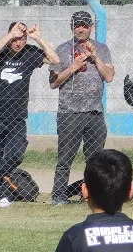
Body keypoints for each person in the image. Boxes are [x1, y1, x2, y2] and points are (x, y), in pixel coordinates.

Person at [0, 21, 59, 205]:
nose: (18, 42)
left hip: (17, 115)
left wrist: (38, 38)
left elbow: (55, 60)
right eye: (16, 38)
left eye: (22, 38)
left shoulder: (30, 53)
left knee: (16, 155)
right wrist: (10, 35)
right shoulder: (1, 51)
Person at [49, 11, 115, 204]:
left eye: (85, 25)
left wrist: (95, 58)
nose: (81, 28)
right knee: (65, 158)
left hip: (95, 112)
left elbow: (109, 76)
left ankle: (93, 195)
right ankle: (59, 196)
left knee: (95, 159)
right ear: (72, 27)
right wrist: (74, 67)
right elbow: (53, 82)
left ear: (91, 27)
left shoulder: (101, 49)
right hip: (70, 112)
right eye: (77, 25)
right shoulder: (61, 50)